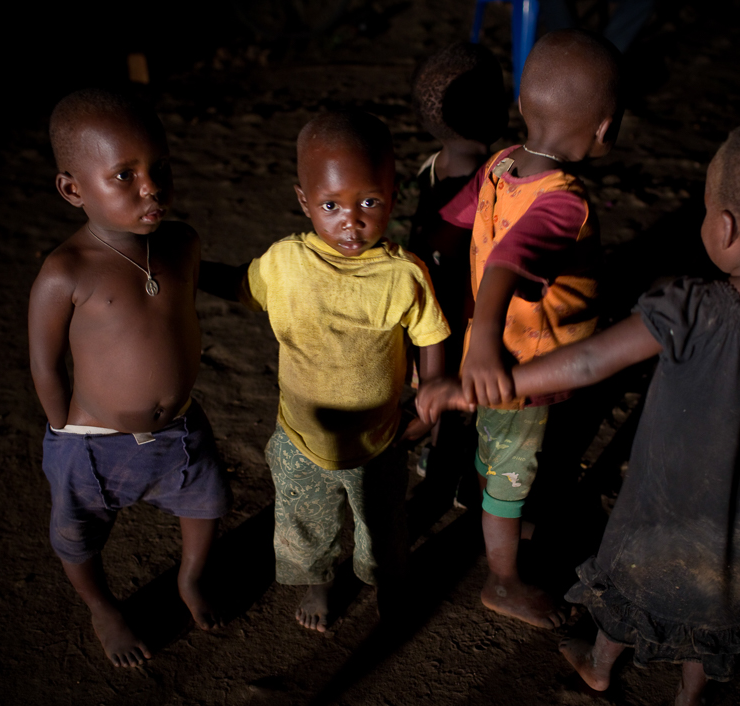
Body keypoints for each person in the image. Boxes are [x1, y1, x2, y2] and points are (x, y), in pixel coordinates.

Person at [419, 120, 740, 706]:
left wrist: (487, 385)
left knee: (628, 595)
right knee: (719, 605)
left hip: (660, 505)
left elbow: (589, 361)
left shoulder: (689, 308)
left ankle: (597, 665)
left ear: (723, 228)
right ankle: (690, 702)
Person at [201, 111, 450, 633]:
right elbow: (244, 290)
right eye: (331, 205)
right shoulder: (284, 263)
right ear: (304, 201)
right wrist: (190, 270)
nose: (351, 221)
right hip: (300, 437)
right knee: (305, 526)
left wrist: (431, 394)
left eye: (369, 203)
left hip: (378, 441)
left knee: (383, 531)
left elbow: (430, 336)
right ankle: (320, 584)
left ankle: (390, 587)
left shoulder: (403, 275)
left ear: (393, 194)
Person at [28, 89, 232, 668]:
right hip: (91, 446)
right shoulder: (65, 272)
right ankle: (102, 607)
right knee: (77, 537)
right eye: (125, 175)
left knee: (206, 506)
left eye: (159, 168)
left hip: (181, 432)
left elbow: (187, 302)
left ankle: (191, 580)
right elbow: (45, 361)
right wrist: (61, 426)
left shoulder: (181, 243)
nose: (151, 187)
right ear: (73, 190)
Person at [432, 30, 620, 629]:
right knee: (515, 466)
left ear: (523, 108)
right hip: (517, 369)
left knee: (501, 455)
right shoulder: (564, 201)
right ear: (605, 128)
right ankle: (503, 579)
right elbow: (509, 262)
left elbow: (452, 220)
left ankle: (496, 506)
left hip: (492, 356)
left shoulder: (500, 164)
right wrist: (486, 338)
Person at [407, 42, 507, 488]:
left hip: (429, 301)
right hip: (463, 304)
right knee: (464, 389)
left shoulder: (433, 167)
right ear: (499, 113)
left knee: (439, 381)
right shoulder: (487, 180)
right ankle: (456, 465)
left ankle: (435, 454)